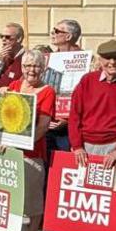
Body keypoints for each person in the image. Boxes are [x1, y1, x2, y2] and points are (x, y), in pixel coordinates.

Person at [0, 48, 54, 231]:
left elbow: (43, 125)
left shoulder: (47, 91)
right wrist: (1, 93)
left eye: (36, 66)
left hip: (32, 152)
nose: (32, 70)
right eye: (28, 65)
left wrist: (22, 143)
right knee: (11, 196)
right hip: (10, 151)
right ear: (22, 67)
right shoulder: (13, 86)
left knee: (32, 197)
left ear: (44, 68)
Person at [68, 39, 116, 168]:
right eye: (107, 58)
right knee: (85, 186)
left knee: (115, 187)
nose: (112, 62)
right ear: (100, 60)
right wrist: (77, 146)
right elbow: (75, 115)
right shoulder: (87, 80)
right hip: (85, 146)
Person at [46, 18, 82, 161]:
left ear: (68, 36)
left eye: (56, 31)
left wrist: (68, 120)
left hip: (71, 129)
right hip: (47, 123)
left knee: (64, 165)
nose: (52, 34)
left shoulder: (86, 60)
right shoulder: (49, 59)